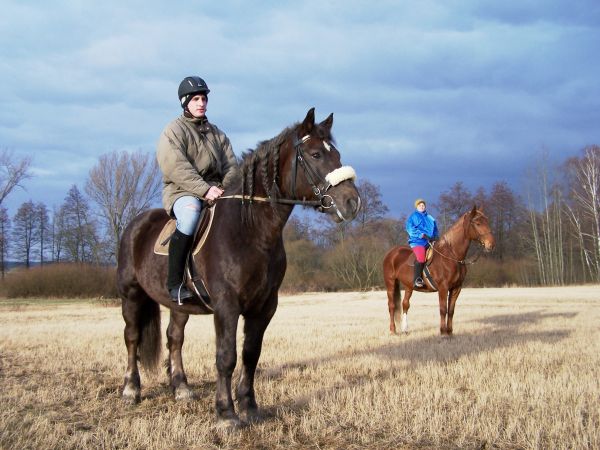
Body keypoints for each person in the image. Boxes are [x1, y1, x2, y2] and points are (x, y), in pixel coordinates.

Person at [156, 76, 239, 302]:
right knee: (191, 213)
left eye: (203, 99)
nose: (201, 103)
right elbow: (176, 167)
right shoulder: (173, 131)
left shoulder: (217, 134)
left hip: (216, 191)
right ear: (185, 103)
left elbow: (232, 165)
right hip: (182, 191)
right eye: (195, 99)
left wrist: (222, 187)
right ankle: (175, 284)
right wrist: (204, 190)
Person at [405, 198, 439, 288]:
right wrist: (421, 235)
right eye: (420, 205)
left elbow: (435, 229)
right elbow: (410, 228)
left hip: (430, 241)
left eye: (423, 205)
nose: (422, 206)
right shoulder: (413, 217)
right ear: (417, 207)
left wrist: (436, 236)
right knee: (421, 258)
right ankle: (417, 279)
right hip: (417, 241)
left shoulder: (430, 218)